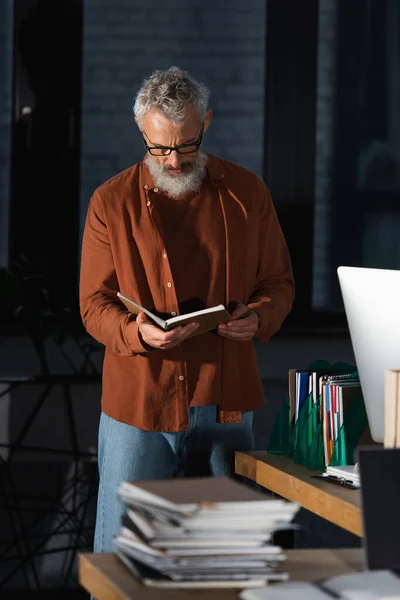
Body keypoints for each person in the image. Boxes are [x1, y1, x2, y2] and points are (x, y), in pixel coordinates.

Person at [80, 66, 295, 552]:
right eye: (160, 148)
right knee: (122, 560)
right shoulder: (110, 202)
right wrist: (136, 334)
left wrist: (259, 316)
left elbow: (278, 282)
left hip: (222, 396)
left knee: (224, 559)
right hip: (137, 402)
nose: (173, 160)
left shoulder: (247, 192)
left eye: (186, 145)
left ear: (207, 123)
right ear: (142, 131)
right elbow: (93, 304)